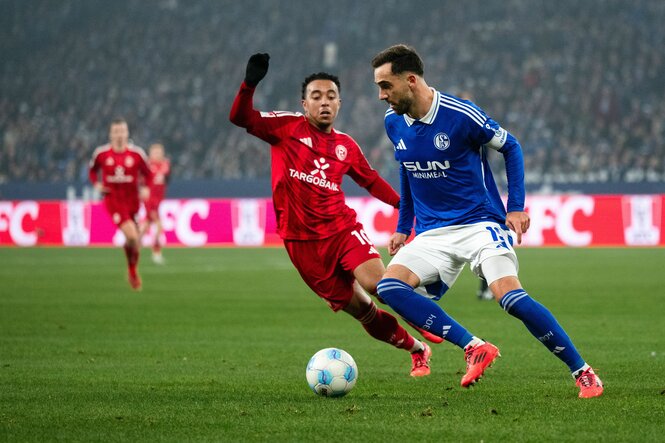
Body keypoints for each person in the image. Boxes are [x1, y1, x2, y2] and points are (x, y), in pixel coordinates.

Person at [371, 44, 603, 398]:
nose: (381, 95)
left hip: (481, 224)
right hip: (434, 231)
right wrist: (404, 226)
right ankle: (473, 347)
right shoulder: (393, 123)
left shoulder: (460, 115)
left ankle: (582, 371)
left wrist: (516, 206)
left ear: (411, 81)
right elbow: (407, 169)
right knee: (389, 288)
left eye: (386, 85)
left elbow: (511, 146)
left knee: (508, 297)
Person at [229, 53, 436, 377]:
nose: (324, 102)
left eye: (331, 97)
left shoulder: (345, 145)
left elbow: (372, 181)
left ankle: (425, 319)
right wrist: (249, 84)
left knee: (379, 285)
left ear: (339, 104)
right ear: (304, 103)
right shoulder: (285, 127)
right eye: (316, 96)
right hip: (303, 245)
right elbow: (240, 118)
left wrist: (404, 206)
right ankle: (416, 349)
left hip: (342, 230)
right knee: (365, 312)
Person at [89, 118, 152, 290]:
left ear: (127, 133)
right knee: (132, 236)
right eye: (116, 131)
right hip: (113, 201)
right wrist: (97, 184)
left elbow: (149, 174)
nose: (119, 135)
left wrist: (146, 187)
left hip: (133, 201)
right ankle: (132, 272)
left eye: (122, 131)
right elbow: (92, 171)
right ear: (111, 134)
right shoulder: (101, 154)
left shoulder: (137, 154)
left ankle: (132, 270)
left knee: (135, 241)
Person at [140, 143, 171, 264]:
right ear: (150, 153)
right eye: (155, 152)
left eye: (159, 152)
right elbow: (140, 179)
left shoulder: (165, 164)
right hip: (150, 200)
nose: (158, 154)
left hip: (159, 199)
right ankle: (156, 252)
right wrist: (142, 188)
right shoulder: (147, 165)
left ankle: (134, 246)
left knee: (146, 224)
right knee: (159, 225)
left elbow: (167, 178)